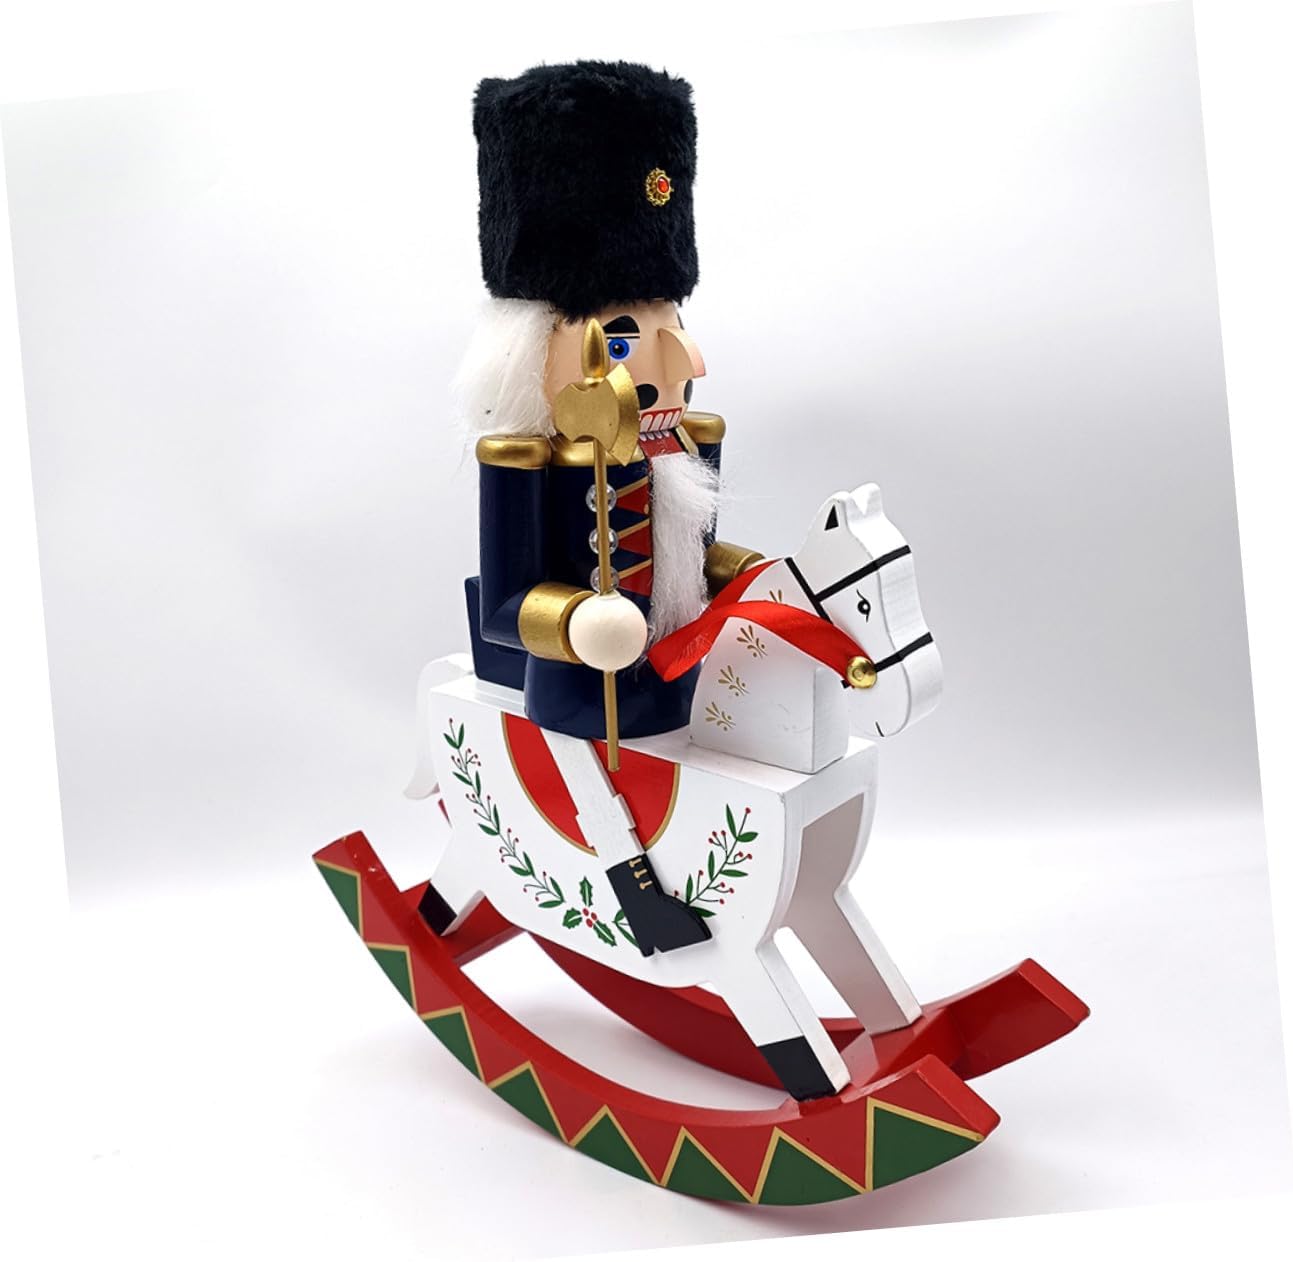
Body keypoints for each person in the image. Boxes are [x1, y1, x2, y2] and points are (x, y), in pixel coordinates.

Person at [452, 61, 764, 952]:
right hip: (575, 695)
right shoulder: (523, 459)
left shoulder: (686, 442)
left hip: (674, 682)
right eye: (623, 340)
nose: (672, 366)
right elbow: (508, 605)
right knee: (589, 768)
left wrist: (740, 574)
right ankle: (623, 883)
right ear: (528, 356)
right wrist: (576, 623)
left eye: (669, 329)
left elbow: (689, 556)